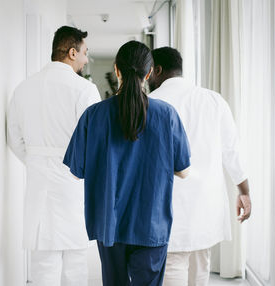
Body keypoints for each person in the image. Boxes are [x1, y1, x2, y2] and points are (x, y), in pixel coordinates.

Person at [63, 41, 191, 286]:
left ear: (117, 70)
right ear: (149, 73)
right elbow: (183, 170)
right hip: (152, 223)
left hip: (110, 224)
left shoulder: (94, 115)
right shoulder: (167, 115)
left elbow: (76, 172)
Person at [147, 47, 251, 286]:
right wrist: (244, 192)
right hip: (206, 203)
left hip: (165, 202)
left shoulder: (151, 103)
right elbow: (232, 151)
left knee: (172, 264)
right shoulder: (214, 100)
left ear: (157, 70)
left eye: (150, 72)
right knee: (200, 266)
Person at [7, 26, 101, 286]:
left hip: (38, 182)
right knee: (76, 263)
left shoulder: (24, 88)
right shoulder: (85, 89)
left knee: (42, 263)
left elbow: (14, 138)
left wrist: (36, 161)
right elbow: (94, 141)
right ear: (72, 52)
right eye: (84, 53)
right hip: (72, 182)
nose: (85, 59)